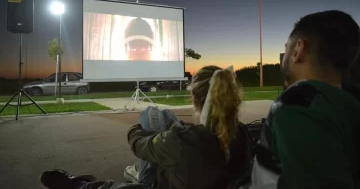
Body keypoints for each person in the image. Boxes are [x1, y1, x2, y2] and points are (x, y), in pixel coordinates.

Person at [40, 65, 253, 189]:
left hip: (163, 181)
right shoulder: (241, 132)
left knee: (150, 115)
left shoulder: (186, 141)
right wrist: (175, 131)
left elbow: (139, 144)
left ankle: (78, 186)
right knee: (167, 115)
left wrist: (139, 129)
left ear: (195, 98)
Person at [251, 10, 360, 189]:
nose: (284, 55)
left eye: (287, 47)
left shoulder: (297, 106)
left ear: (298, 49)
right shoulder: (349, 101)